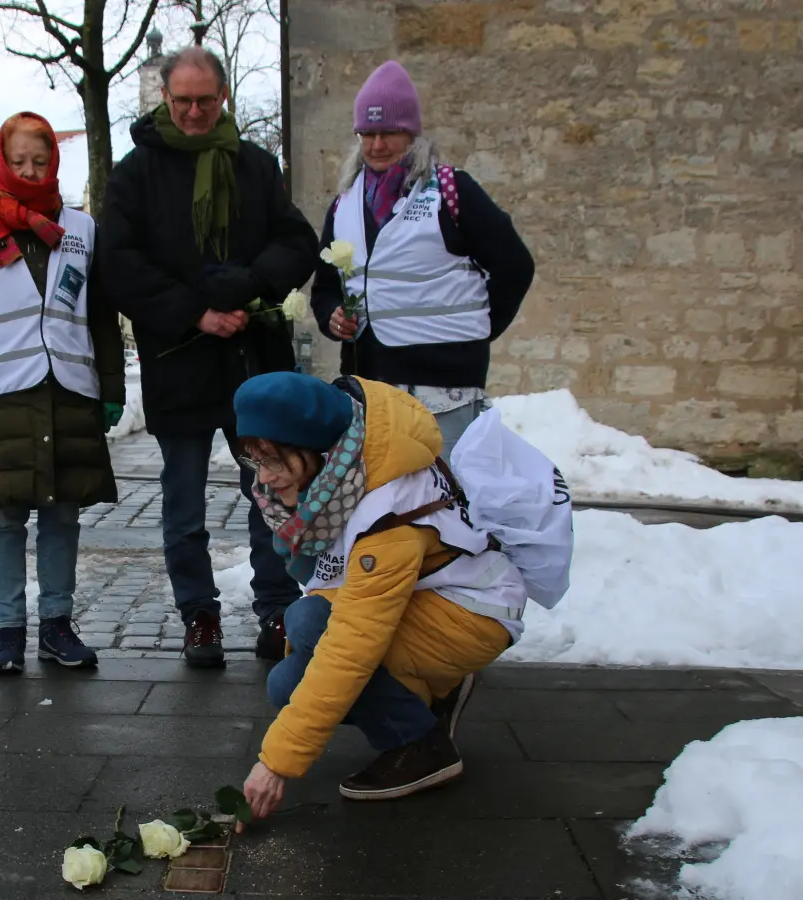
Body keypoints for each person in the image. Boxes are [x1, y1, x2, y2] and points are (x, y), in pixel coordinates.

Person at [99, 47, 320, 667]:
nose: (195, 112)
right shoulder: (135, 172)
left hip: (253, 359)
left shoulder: (253, 164)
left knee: (270, 492)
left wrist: (250, 285)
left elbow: (297, 240)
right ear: (165, 100)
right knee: (184, 502)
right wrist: (195, 309)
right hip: (181, 357)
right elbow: (119, 262)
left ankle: (276, 611)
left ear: (223, 98)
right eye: (182, 101)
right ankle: (199, 616)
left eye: (205, 100)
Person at [231, 372, 527, 822]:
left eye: (274, 460)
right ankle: (430, 698)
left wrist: (276, 763)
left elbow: (353, 644)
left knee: (306, 647)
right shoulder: (347, 468)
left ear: (314, 447)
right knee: (296, 650)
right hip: (430, 598)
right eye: (256, 461)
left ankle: (421, 748)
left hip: (472, 613)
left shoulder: (385, 511)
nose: (266, 480)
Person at [0, 112, 125, 675]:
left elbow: (101, 316)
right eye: (19, 161)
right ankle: (7, 630)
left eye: (41, 160)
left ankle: (57, 625)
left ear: (54, 163)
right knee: (3, 519)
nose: (30, 170)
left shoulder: (81, 230)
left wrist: (111, 387)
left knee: (62, 514)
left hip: (69, 393)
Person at [311, 60, 535, 461]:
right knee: (382, 501)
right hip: (371, 382)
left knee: (445, 496)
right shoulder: (343, 205)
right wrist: (331, 317)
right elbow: (326, 287)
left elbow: (515, 265)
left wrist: (477, 327)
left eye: (388, 133)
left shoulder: (451, 191)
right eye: (367, 133)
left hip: (445, 385)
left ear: (411, 134)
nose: (377, 145)